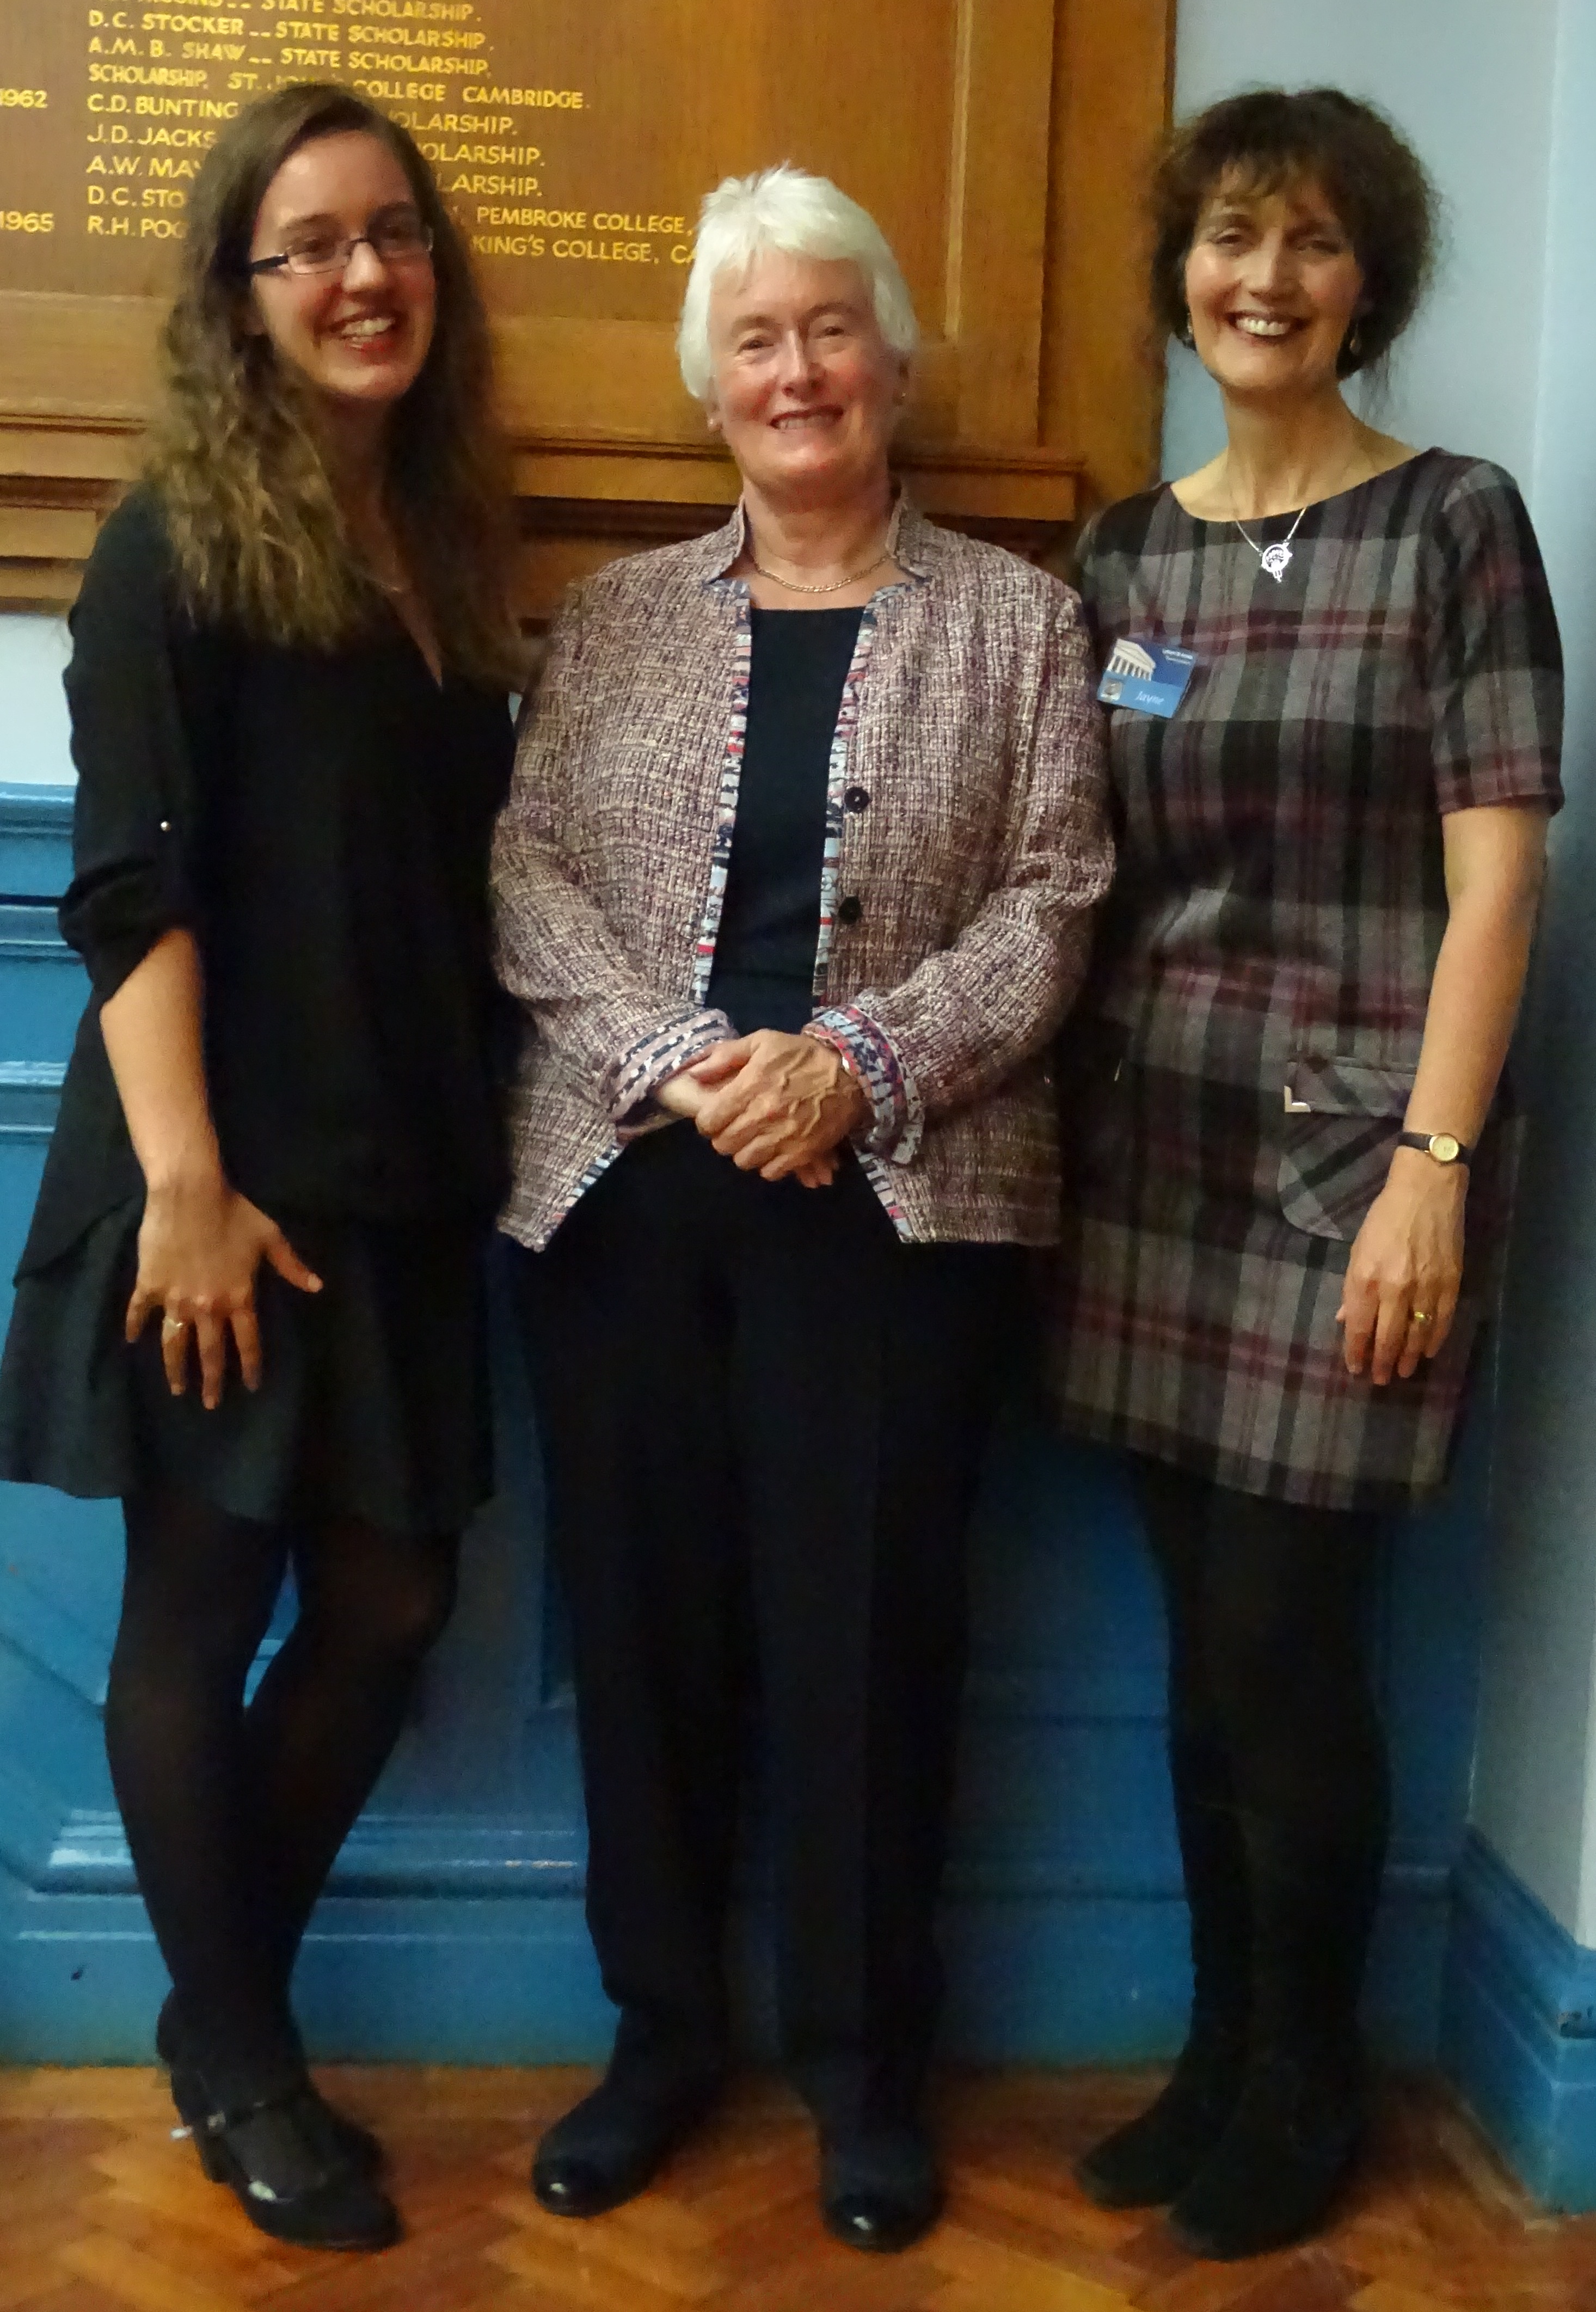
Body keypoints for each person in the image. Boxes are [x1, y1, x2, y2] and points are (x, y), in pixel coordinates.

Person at [493, 163, 1110, 2254]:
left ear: (897, 358)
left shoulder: (1020, 621)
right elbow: (525, 882)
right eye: (753, 338)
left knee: (867, 1650)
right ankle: (660, 2043)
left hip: (898, 1205)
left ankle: (863, 2077)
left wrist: (853, 1065)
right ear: (705, 387)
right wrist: (687, 1061)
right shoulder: (611, 623)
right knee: (648, 1639)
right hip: (637, 1194)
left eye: (829, 326)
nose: (796, 370)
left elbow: (1055, 901)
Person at [0, 83, 520, 2250]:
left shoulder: (446, 546)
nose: (359, 274)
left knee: (393, 1595)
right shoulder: (173, 545)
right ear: (241, 294)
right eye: (304, 243)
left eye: (388, 233)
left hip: (395, 1175)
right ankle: (240, 2053)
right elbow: (129, 885)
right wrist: (190, 1187)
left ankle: (227, 2017)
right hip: (215, 1171)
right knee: (196, 1610)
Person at [1049, 88, 1563, 2260]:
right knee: (1198, 1647)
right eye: (1230, 238)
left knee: (1284, 1642)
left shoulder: (1457, 522)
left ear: (1370, 285)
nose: (1262, 280)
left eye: (1312, 244)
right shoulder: (1120, 560)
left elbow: (1500, 882)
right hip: (1142, 1161)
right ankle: (1214, 2047)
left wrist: (1435, 1167)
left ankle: (1308, 2073)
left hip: (1357, 1169)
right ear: (1180, 268)